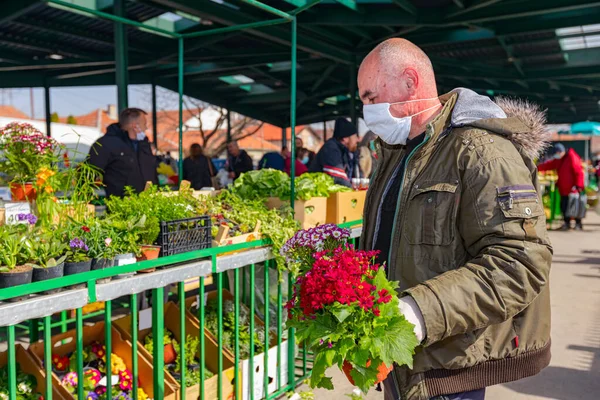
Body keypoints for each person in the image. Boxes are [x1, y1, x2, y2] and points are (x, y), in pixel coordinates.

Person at [358, 38, 552, 400]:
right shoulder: (397, 154)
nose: (366, 110)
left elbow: (520, 263)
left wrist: (416, 312)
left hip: (448, 366)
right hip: (403, 360)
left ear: (410, 83)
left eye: (370, 97)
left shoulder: (483, 151)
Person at [88, 108, 158, 198]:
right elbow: (89, 174)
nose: (146, 128)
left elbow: (151, 171)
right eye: (144, 124)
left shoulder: (143, 144)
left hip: (147, 202)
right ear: (135, 126)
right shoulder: (105, 144)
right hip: (120, 205)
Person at [538, 143, 585, 230]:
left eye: (558, 152)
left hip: (572, 189)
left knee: (575, 206)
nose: (557, 155)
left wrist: (578, 185)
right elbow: (550, 165)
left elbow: (579, 172)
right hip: (563, 188)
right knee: (564, 206)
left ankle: (578, 223)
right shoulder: (559, 159)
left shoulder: (572, 157)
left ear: (561, 151)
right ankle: (567, 223)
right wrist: (537, 168)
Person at [309, 118, 359, 187]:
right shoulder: (331, 148)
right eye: (355, 136)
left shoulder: (345, 151)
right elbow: (338, 177)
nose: (358, 140)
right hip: (318, 193)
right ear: (345, 138)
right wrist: (353, 191)